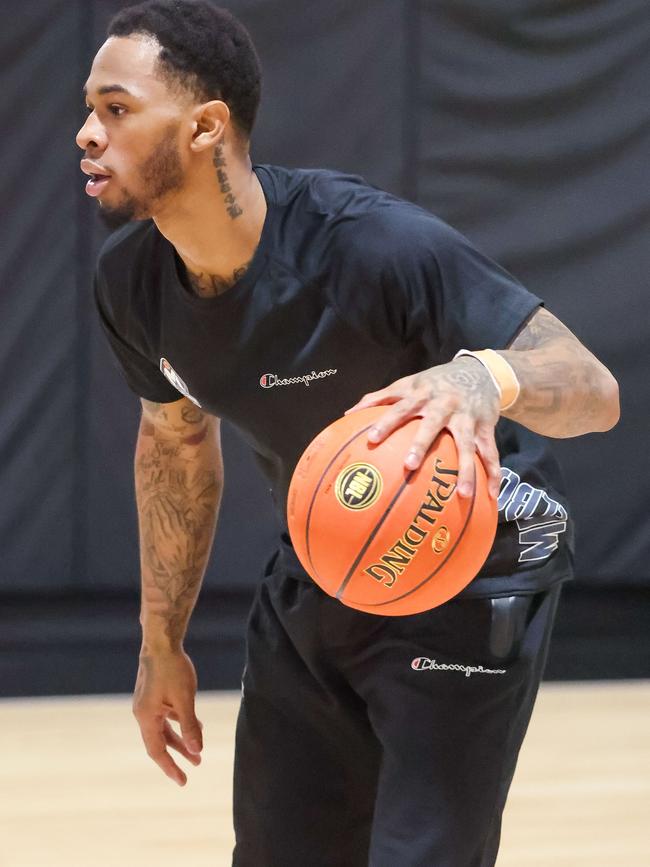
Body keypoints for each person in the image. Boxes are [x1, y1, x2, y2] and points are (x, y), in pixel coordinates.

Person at [76, 2, 619, 865]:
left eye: (115, 108)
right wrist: (160, 643)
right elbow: (175, 450)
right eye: (88, 109)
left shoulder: (368, 243)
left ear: (207, 124)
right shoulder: (131, 284)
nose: (87, 134)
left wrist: (484, 374)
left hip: (479, 552)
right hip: (329, 548)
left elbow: (592, 385)